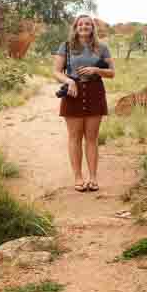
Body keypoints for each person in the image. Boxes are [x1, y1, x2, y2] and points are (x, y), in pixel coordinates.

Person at [53, 15, 115, 192]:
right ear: (76, 27)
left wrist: (96, 69)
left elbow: (112, 72)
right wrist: (69, 81)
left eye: (87, 24)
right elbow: (56, 72)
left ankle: (93, 178)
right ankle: (78, 177)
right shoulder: (66, 46)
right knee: (74, 137)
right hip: (73, 93)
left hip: (95, 91)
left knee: (92, 138)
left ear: (92, 27)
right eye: (80, 24)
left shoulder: (102, 48)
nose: (84, 27)